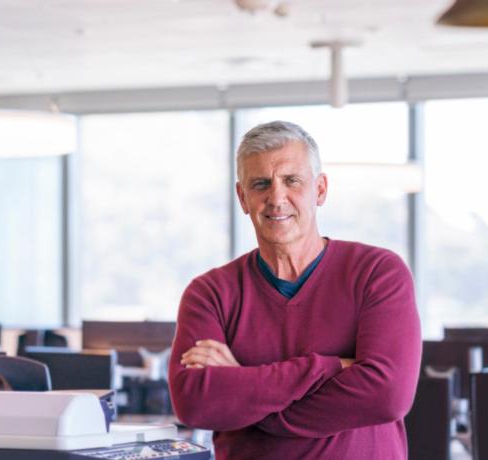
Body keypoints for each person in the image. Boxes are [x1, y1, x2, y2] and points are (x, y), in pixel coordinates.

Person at [168, 121, 421, 459]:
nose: (276, 198)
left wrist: (245, 391)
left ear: (319, 190)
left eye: (292, 181)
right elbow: (194, 403)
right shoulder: (210, 294)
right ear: (243, 197)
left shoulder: (377, 273)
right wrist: (327, 368)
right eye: (260, 184)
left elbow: (387, 395)